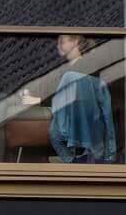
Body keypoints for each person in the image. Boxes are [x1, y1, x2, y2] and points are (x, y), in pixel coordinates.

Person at [48, 33, 116, 163]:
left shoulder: (83, 69)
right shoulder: (67, 70)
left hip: (75, 122)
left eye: (62, 41)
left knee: (54, 133)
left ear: (75, 42)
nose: (57, 46)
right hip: (85, 129)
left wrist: (38, 101)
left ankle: (73, 162)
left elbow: (66, 98)